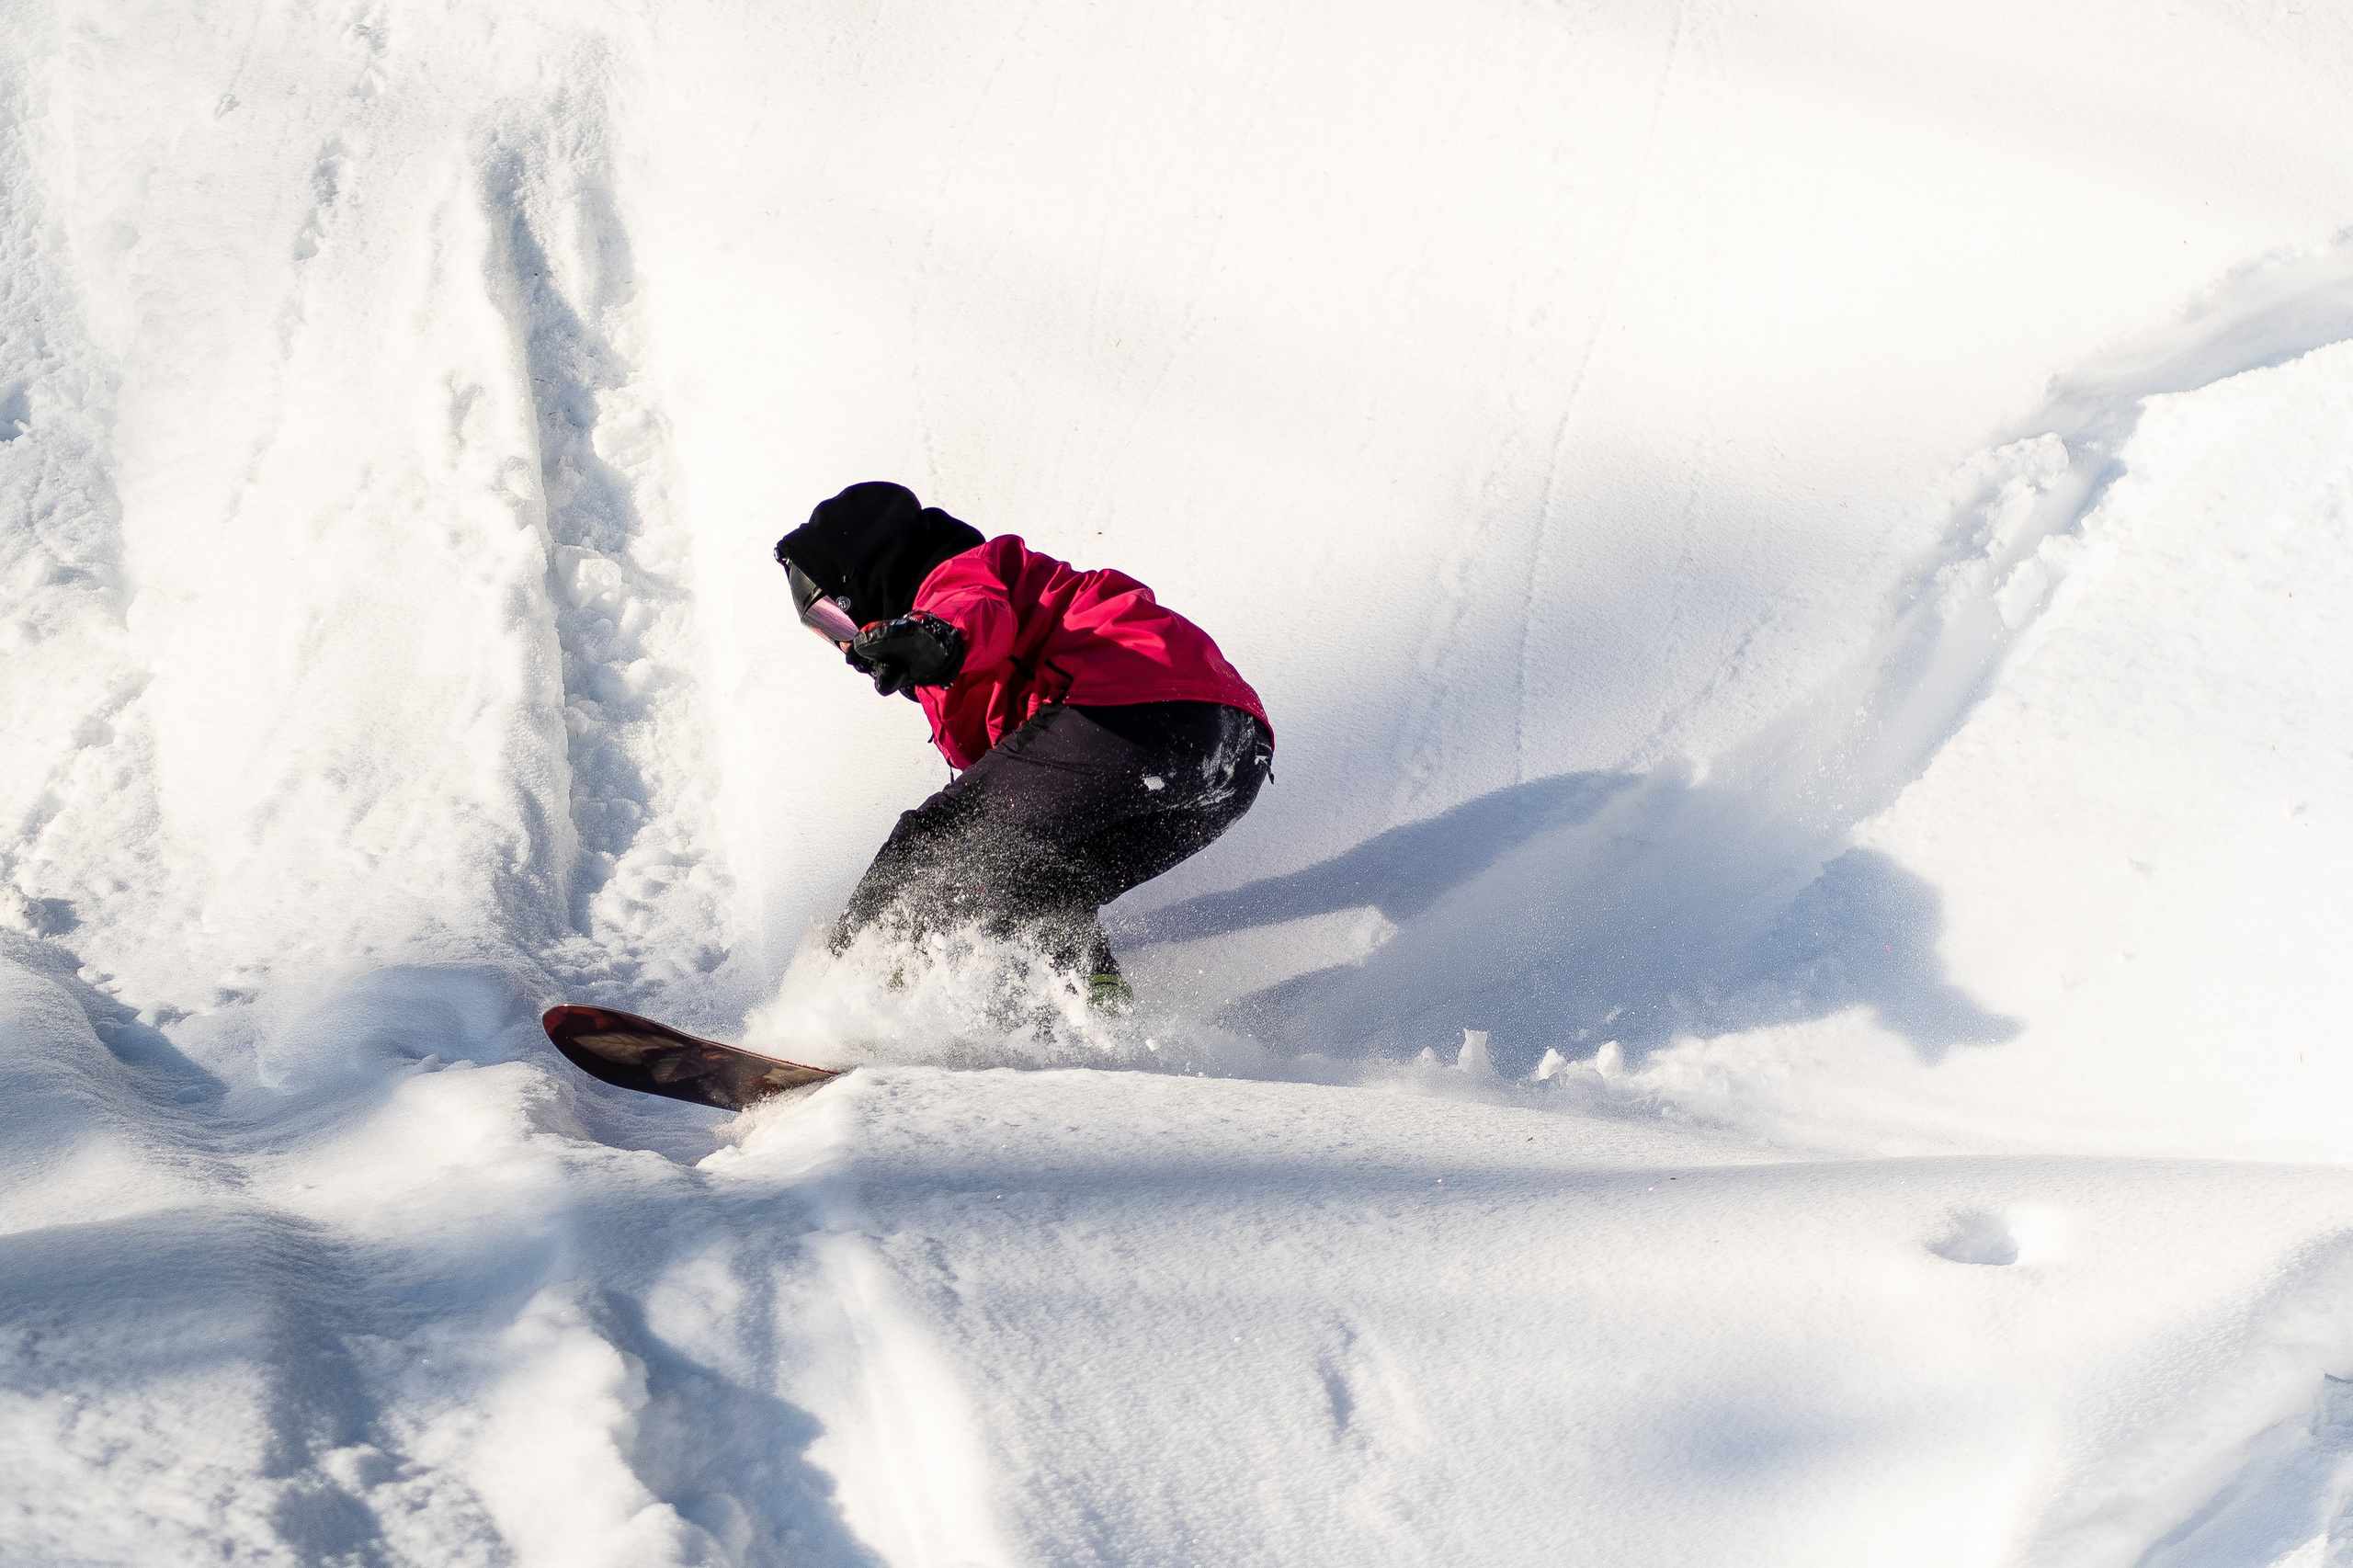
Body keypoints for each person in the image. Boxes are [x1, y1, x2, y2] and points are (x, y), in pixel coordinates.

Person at [774, 482, 1272, 1008]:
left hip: (1129, 712)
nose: (841, 642)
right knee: (1041, 885)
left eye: (832, 617)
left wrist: (938, 641)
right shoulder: (952, 687)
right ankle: (1096, 1014)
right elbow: (1005, 811)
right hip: (1231, 760)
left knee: (934, 844)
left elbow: (977, 617)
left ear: (869, 580)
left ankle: (838, 1002)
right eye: (820, 628)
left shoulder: (955, 575)